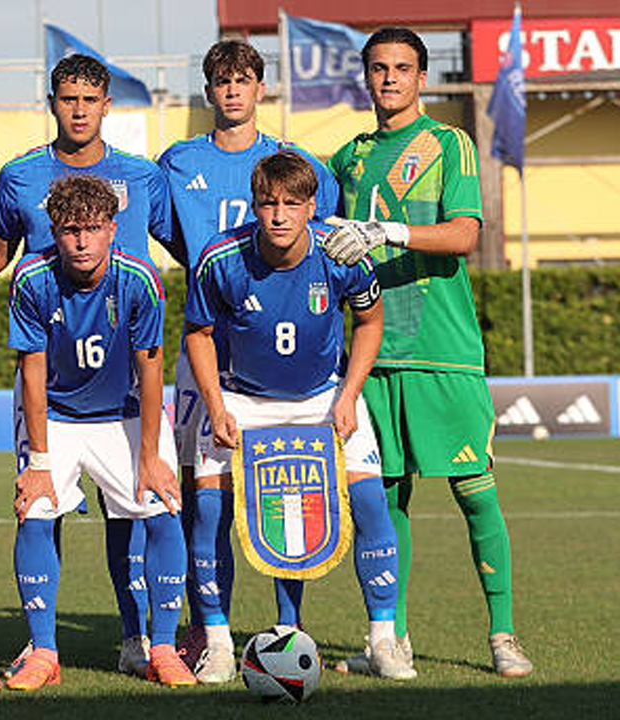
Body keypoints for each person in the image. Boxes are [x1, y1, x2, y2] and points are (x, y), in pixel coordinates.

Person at [321, 26, 533, 678]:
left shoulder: (448, 144)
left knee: (475, 491)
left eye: (402, 68)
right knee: (384, 501)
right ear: (366, 76)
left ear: (421, 76)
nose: (389, 78)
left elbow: (465, 234)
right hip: (373, 356)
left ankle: (503, 635)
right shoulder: (347, 159)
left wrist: (387, 230)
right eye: (378, 68)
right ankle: (392, 639)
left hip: (444, 351)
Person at [0, 53, 174, 676]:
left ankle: (146, 641)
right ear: (52, 103)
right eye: (68, 99)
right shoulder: (20, 176)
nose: (79, 110)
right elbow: (0, 249)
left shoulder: (142, 177)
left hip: (122, 381)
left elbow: (186, 249)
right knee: (38, 504)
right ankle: (44, 647)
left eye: (90, 100)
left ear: (107, 105)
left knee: (141, 508)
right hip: (54, 378)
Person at [185, 150, 413, 680]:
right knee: (210, 511)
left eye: (292, 204)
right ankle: (218, 643)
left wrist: (349, 394)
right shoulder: (220, 259)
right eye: (269, 204)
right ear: (254, 206)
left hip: (322, 397)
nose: (279, 216)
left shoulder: (341, 255)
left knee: (369, 502)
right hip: (242, 399)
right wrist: (215, 405)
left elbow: (370, 322)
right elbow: (198, 334)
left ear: (312, 207)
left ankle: (383, 641)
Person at [156, 39, 339, 683]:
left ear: (262, 88)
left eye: (243, 80)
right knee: (201, 495)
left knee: (286, 491)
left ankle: (289, 628)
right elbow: (168, 235)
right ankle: (212, 633)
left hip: (280, 359)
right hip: (208, 346)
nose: (232, 90)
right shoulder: (177, 162)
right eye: (221, 80)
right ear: (208, 90)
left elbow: (323, 242)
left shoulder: (295, 163)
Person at [5, 175, 192, 691]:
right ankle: (44, 652)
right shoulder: (31, 277)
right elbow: (31, 372)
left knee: (162, 508)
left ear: (112, 228)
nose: (82, 241)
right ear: (54, 232)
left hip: (124, 414)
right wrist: (39, 462)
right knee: (35, 513)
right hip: (55, 416)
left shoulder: (140, 278)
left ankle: (162, 649)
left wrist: (150, 455)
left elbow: (151, 369)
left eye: (92, 229)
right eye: (70, 230)